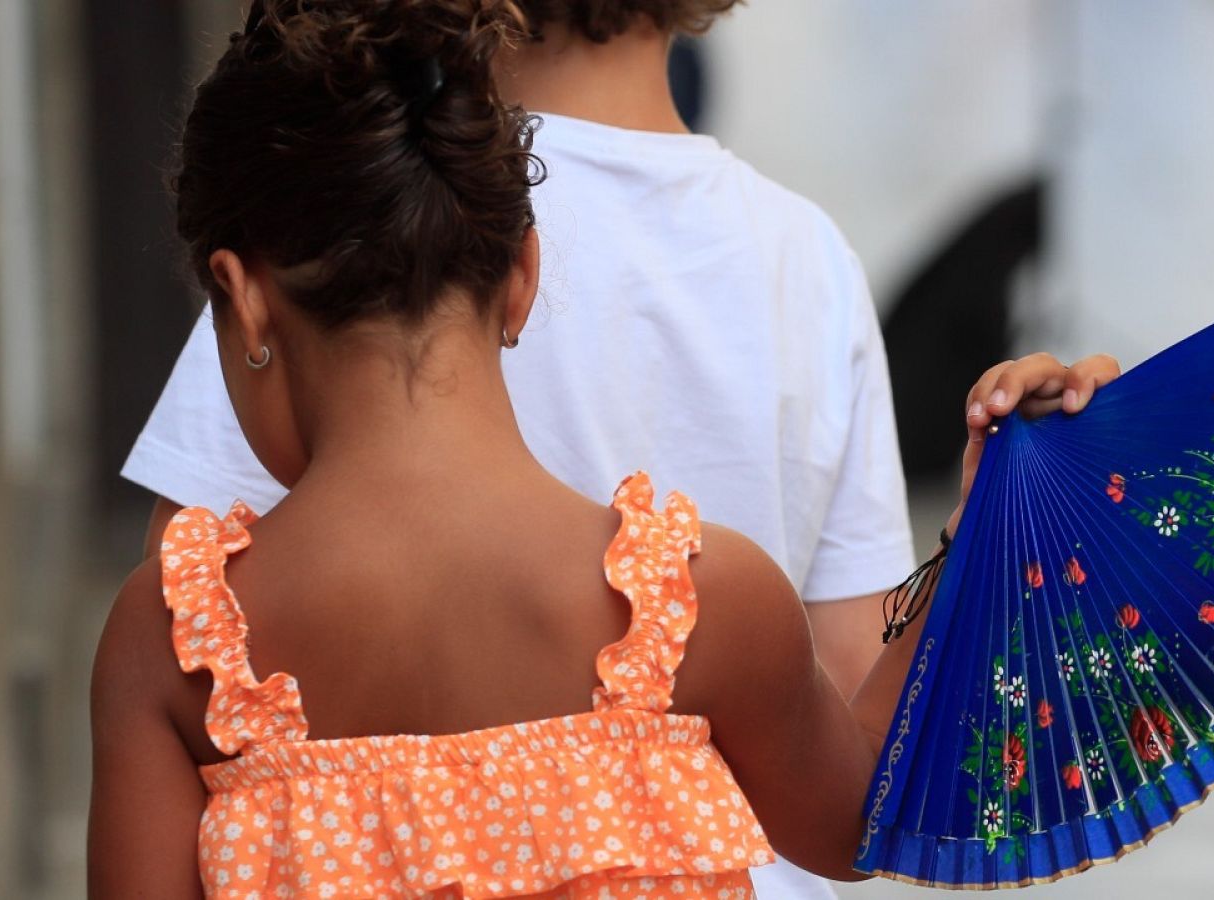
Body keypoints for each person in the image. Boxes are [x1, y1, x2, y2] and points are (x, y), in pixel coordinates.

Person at [96, 2, 1121, 897]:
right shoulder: (703, 606)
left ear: (243, 301)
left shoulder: (172, 640)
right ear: (523, 274)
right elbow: (866, 818)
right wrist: (985, 531)